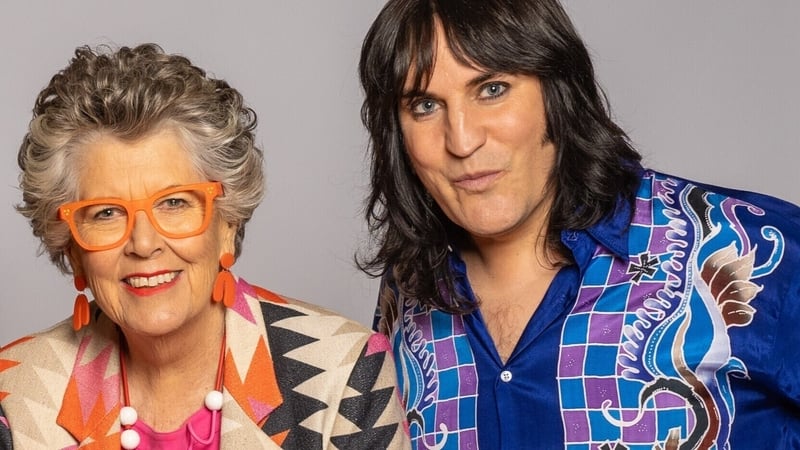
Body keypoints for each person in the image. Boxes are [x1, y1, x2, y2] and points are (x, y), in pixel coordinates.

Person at [357, 0, 800, 449]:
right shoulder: (409, 285)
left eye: (492, 89)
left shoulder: (747, 246)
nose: (463, 140)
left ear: (558, 91)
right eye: (426, 105)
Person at [0, 43, 409, 449]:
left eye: (175, 202)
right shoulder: (13, 395)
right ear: (72, 248)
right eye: (106, 213)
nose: (144, 244)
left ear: (227, 221)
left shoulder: (343, 372)